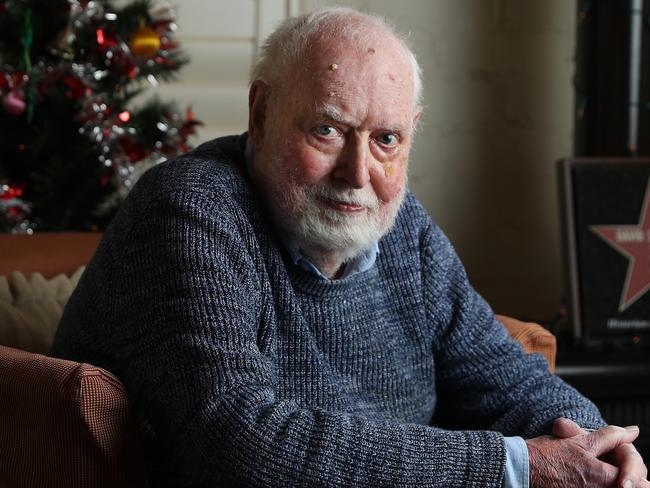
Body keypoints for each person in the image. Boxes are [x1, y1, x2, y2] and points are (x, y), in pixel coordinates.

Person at [50, 7, 649, 488]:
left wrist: (605, 449)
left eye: (386, 139)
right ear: (260, 114)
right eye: (328, 130)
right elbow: (240, 445)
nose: (358, 173)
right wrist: (514, 467)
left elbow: (510, 379)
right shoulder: (189, 211)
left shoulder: (403, 230)